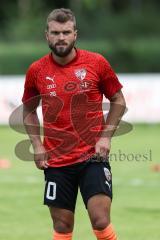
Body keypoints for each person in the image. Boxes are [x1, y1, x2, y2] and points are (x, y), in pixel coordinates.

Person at [22, 8, 126, 240]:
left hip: (93, 157)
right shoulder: (37, 71)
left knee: (100, 220)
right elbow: (28, 110)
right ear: (46, 35)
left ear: (75, 34)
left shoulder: (96, 63)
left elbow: (118, 99)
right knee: (62, 226)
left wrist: (106, 136)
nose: (61, 37)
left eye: (66, 32)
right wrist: (37, 145)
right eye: (56, 32)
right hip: (56, 161)